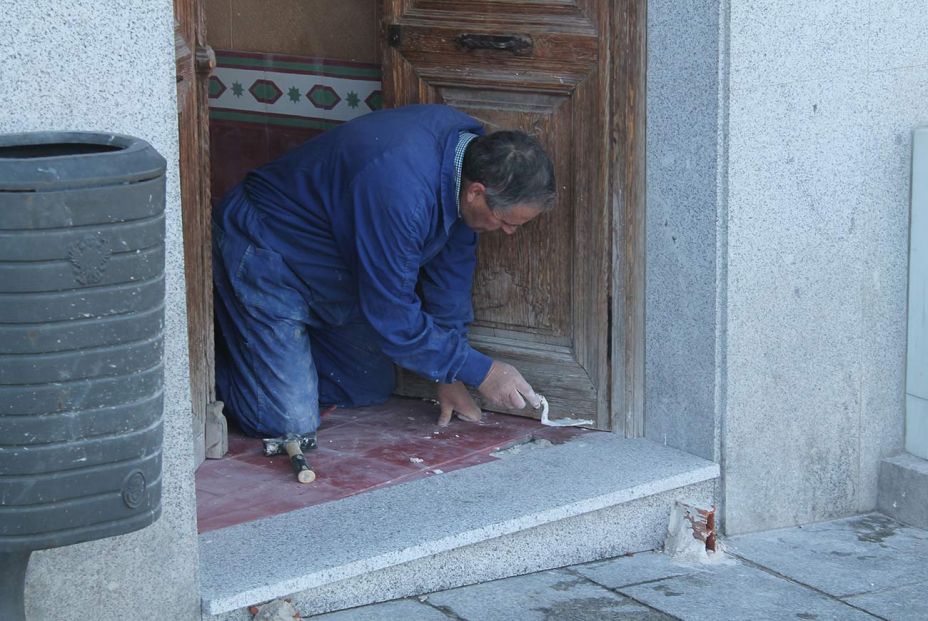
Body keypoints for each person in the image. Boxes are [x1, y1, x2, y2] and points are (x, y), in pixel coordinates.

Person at [212, 103, 556, 442]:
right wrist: (483, 372)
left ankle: (271, 353)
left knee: (366, 386)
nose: (510, 233)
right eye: (508, 222)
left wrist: (450, 375)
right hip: (267, 253)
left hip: (331, 273)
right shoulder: (401, 191)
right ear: (476, 193)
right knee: (289, 422)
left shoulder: (465, 160)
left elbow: (450, 277)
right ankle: (214, 361)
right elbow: (391, 317)